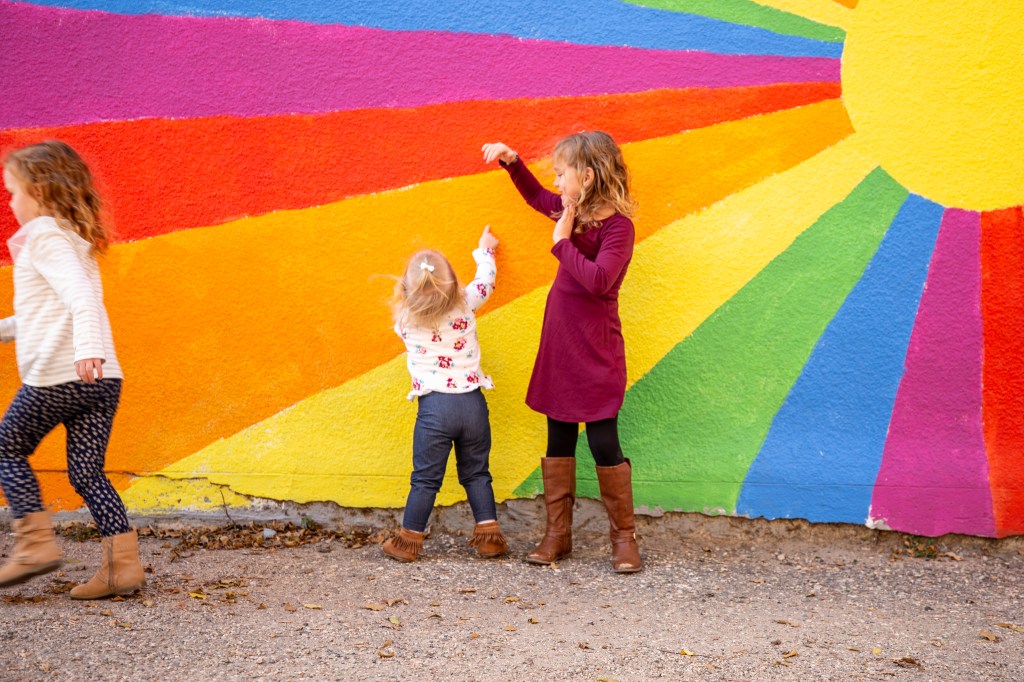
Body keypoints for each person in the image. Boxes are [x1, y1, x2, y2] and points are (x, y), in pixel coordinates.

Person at [482, 132, 641, 573]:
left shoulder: (618, 228)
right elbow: (537, 196)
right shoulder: (571, 212)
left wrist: (561, 243)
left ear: (586, 177)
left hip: (596, 347)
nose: (555, 181)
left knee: (604, 441)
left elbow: (599, 281)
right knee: (559, 435)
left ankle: (624, 537)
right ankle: (558, 534)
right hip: (561, 341)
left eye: (560, 173)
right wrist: (512, 161)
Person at [0, 140, 144, 598]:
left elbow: (81, 299)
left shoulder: (44, 235)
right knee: (87, 474)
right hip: (101, 381)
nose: (10, 202)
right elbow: (44, 314)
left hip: (62, 376)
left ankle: (34, 547)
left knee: (7, 446)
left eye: (13, 192)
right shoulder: (71, 240)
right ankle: (123, 568)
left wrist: (87, 348)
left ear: (40, 192)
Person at [382, 226, 508, 562]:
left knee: (426, 479)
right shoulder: (467, 302)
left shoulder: (405, 322)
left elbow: (412, 304)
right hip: (472, 405)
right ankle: (489, 537)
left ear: (406, 289)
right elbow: (486, 280)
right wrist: (485, 250)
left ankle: (408, 543)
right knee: (477, 473)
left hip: (435, 410)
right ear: (452, 282)